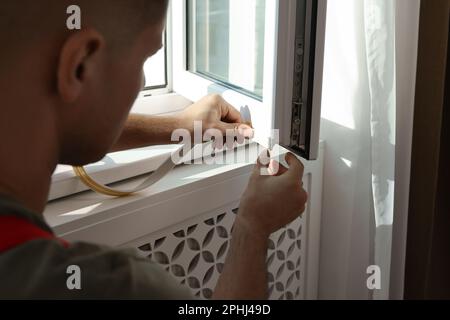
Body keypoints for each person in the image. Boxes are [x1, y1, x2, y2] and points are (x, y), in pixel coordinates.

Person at [0, 0, 308, 299]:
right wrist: (252, 229)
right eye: (145, 59)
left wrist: (181, 126)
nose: (142, 80)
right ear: (81, 65)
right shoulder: (112, 288)